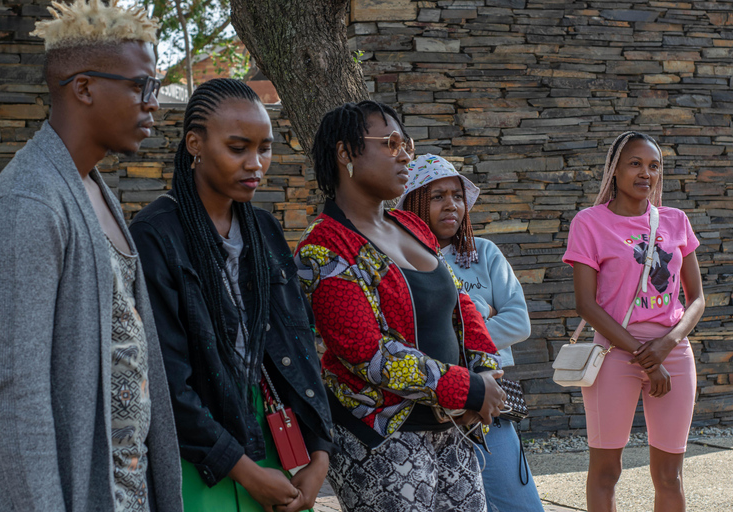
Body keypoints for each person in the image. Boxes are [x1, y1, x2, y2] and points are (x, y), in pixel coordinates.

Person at [0, 0, 183, 510]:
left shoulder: (90, 186)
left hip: (123, 492)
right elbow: (16, 398)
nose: (154, 103)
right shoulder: (26, 205)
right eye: (140, 85)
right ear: (83, 87)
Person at [130, 78, 334, 512]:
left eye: (264, 148)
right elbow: (164, 377)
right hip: (198, 448)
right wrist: (241, 469)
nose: (256, 164)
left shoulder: (264, 230)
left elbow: (296, 342)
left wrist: (319, 453)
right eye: (238, 148)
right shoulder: (155, 236)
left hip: (275, 432)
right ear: (194, 144)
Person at [295, 101, 507, 512]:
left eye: (405, 142)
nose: (407, 154)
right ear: (345, 153)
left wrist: (485, 372)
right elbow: (368, 354)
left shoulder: (409, 226)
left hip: (453, 430)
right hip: (380, 440)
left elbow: (459, 304)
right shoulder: (324, 247)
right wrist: (469, 388)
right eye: (390, 143)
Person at [562, 131, 704, 512]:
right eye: (635, 163)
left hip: (672, 353)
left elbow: (697, 300)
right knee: (606, 472)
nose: (646, 173)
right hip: (613, 353)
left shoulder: (676, 221)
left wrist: (666, 346)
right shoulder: (589, 223)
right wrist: (646, 355)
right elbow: (586, 305)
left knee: (670, 475)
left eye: (654, 166)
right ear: (615, 170)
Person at [398, 153, 545, 512]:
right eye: (437, 196)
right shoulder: (400, 260)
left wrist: (458, 328)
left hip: (487, 401)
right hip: (429, 410)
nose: (451, 205)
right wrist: (480, 316)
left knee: (519, 505)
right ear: (415, 203)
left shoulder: (485, 254)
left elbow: (519, 323)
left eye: (457, 195)